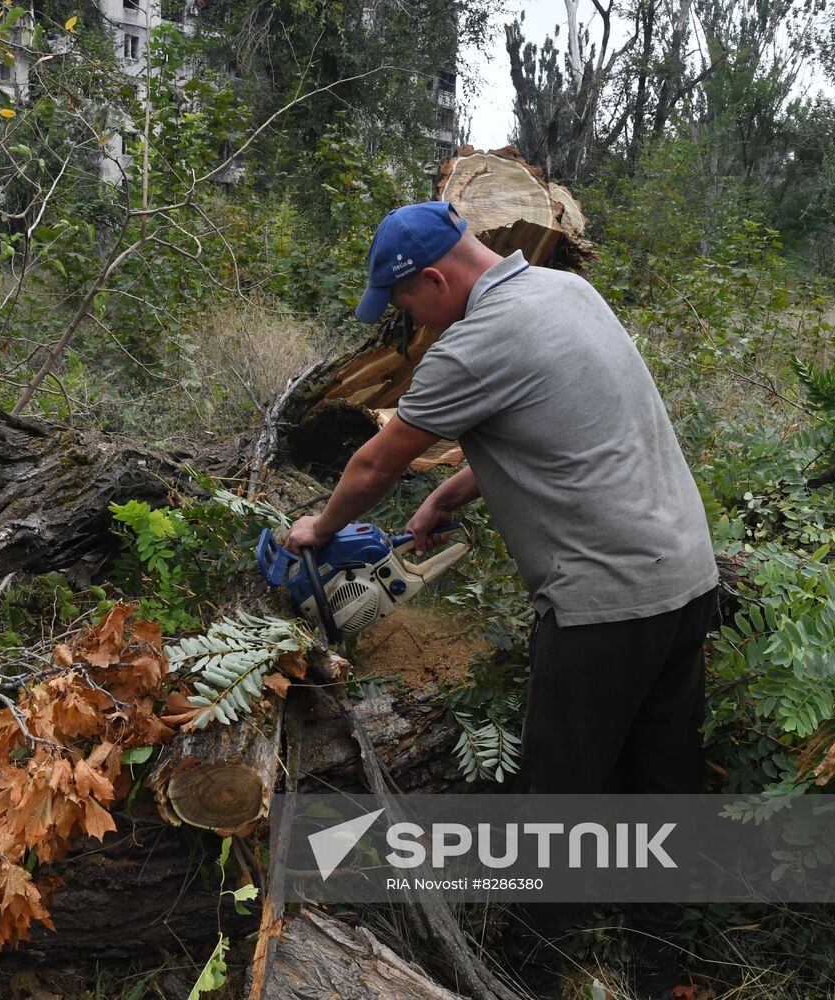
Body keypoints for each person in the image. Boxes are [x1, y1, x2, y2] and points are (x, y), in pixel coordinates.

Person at [282, 201, 719, 999]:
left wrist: (318, 528)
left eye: (405, 306)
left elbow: (376, 465)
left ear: (434, 280)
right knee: (663, 781)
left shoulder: (476, 341)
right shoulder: (563, 293)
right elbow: (555, 420)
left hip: (605, 603)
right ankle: (662, 969)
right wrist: (451, 493)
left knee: (555, 799)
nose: (408, 325)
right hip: (684, 580)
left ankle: (526, 973)